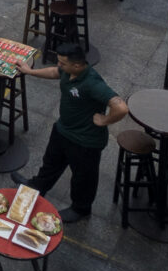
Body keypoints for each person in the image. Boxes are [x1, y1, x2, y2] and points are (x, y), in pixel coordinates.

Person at [11, 44, 128, 223]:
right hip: (63, 129)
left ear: (77, 65)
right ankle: (36, 186)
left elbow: (120, 107)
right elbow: (54, 72)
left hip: (85, 141)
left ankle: (81, 209)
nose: (59, 65)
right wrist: (29, 72)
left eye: (62, 63)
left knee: (83, 177)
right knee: (50, 163)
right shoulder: (67, 71)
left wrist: (104, 120)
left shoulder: (92, 83)